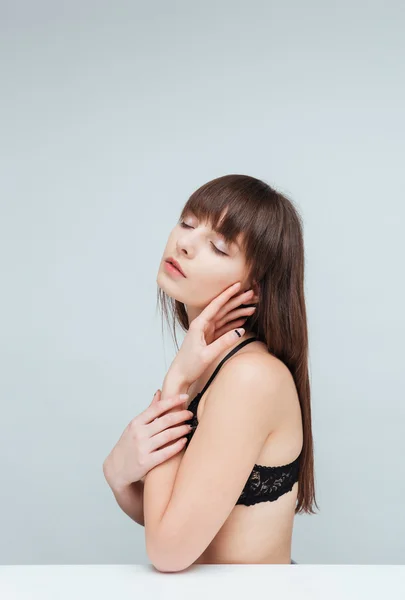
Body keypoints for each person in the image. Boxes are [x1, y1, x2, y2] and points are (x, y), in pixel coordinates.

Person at [103, 174, 318, 569]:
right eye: (187, 223)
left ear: (254, 284)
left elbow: (168, 552)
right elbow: (174, 522)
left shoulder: (249, 377)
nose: (184, 244)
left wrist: (176, 385)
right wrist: (118, 475)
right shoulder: (215, 364)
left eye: (218, 247)